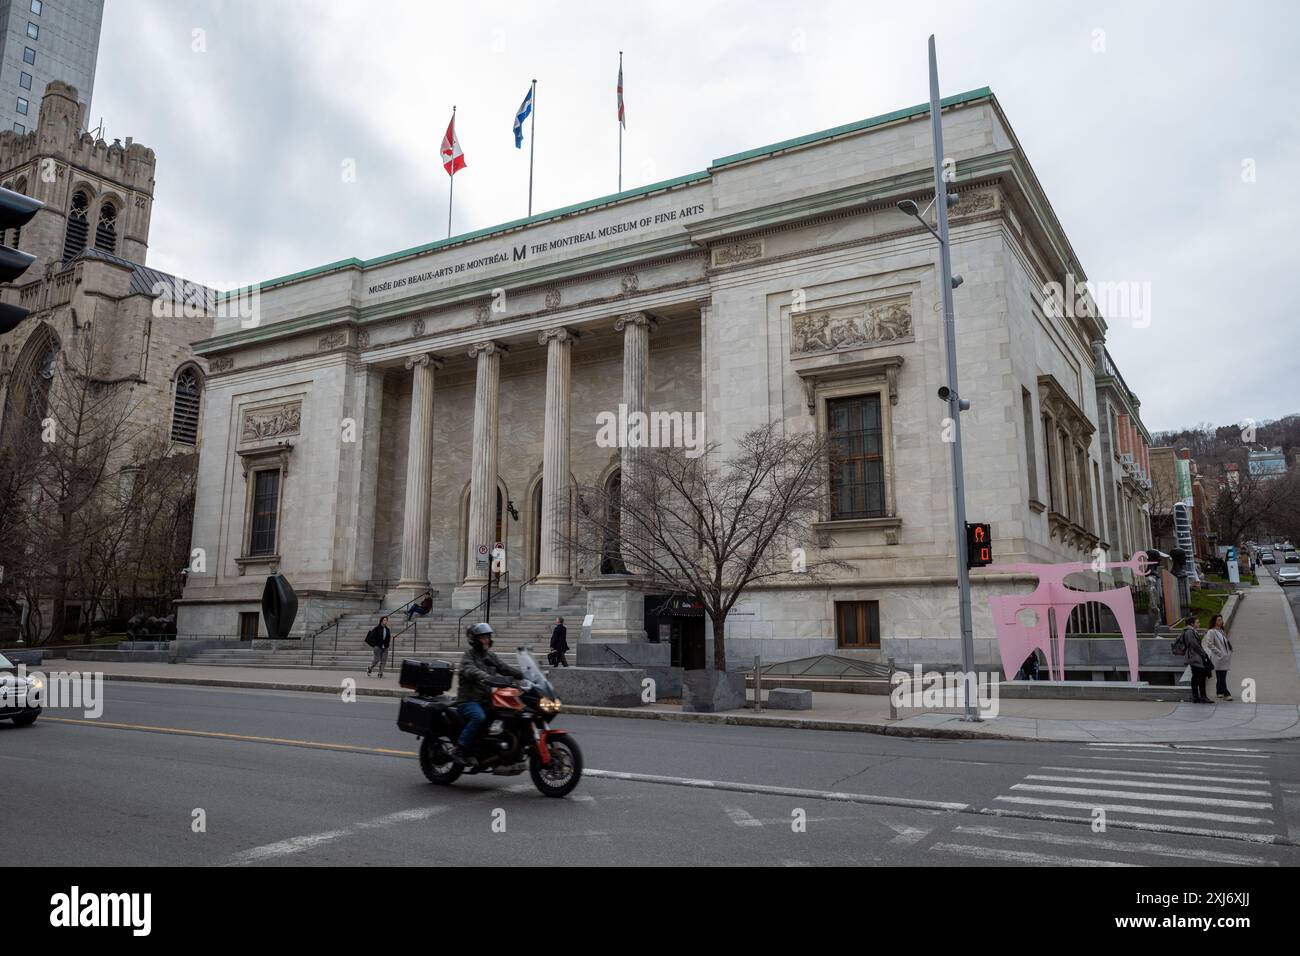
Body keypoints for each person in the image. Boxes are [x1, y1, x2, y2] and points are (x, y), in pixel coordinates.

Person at [452, 622, 523, 767]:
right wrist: (485, 676)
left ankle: (498, 748)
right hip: (468, 700)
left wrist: (523, 674)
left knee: (511, 714)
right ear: (474, 639)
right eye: (483, 637)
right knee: (479, 717)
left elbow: (504, 668)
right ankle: (459, 749)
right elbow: (470, 670)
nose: (486, 640)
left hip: (485, 700)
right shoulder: (468, 656)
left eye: (488, 637)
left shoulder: (490, 656)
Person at [1174, 623, 1213, 704]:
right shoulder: (1189, 632)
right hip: (1194, 657)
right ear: (1192, 623)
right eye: (1197, 622)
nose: (1199, 623)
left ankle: (1196, 697)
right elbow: (1194, 644)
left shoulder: (1190, 631)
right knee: (1201, 677)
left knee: (1195, 677)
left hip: (1193, 657)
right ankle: (1202, 697)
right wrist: (1203, 653)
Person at [1202, 613, 1234, 701]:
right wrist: (1219, 653)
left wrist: (1227, 652)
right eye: (1219, 620)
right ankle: (1226, 693)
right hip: (1218, 658)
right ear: (1214, 621)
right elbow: (1209, 644)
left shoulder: (1221, 630)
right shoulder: (1211, 631)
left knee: (1222, 675)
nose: (1221, 621)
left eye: (1221, 620)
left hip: (1225, 658)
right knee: (1221, 676)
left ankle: (1219, 691)